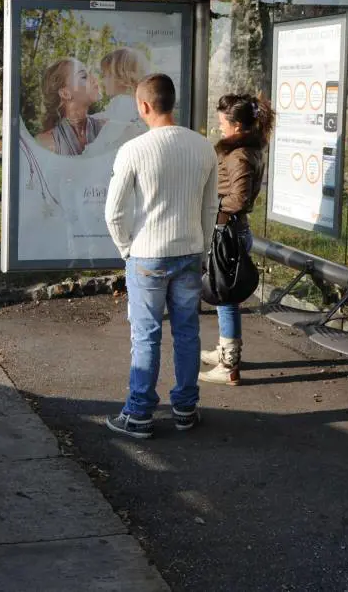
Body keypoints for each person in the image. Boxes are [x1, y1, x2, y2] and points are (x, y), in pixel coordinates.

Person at [104, 74, 218, 439]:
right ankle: (185, 409)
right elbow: (209, 206)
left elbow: (114, 213)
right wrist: (201, 246)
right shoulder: (203, 147)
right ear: (173, 102)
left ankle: (138, 414)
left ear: (144, 106)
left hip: (147, 256)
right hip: (189, 251)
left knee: (147, 335)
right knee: (187, 333)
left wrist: (126, 248)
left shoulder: (134, 150)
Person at [199, 93, 274, 386]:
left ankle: (229, 364)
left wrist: (211, 206)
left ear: (238, 126)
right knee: (224, 295)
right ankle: (225, 349)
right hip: (232, 230)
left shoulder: (240, 153)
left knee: (225, 297)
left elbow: (240, 198)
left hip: (229, 232)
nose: (220, 128)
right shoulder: (246, 148)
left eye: (223, 124)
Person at [35, 58, 105, 156]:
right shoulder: (46, 143)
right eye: (84, 76)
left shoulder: (106, 127)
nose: (94, 79)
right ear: (65, 93)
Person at [100, 48, 149, 123]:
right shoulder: (135, 103)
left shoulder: (124, 102)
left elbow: (109, 134)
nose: (102, 81)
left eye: (104, 75)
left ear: (121, 77)